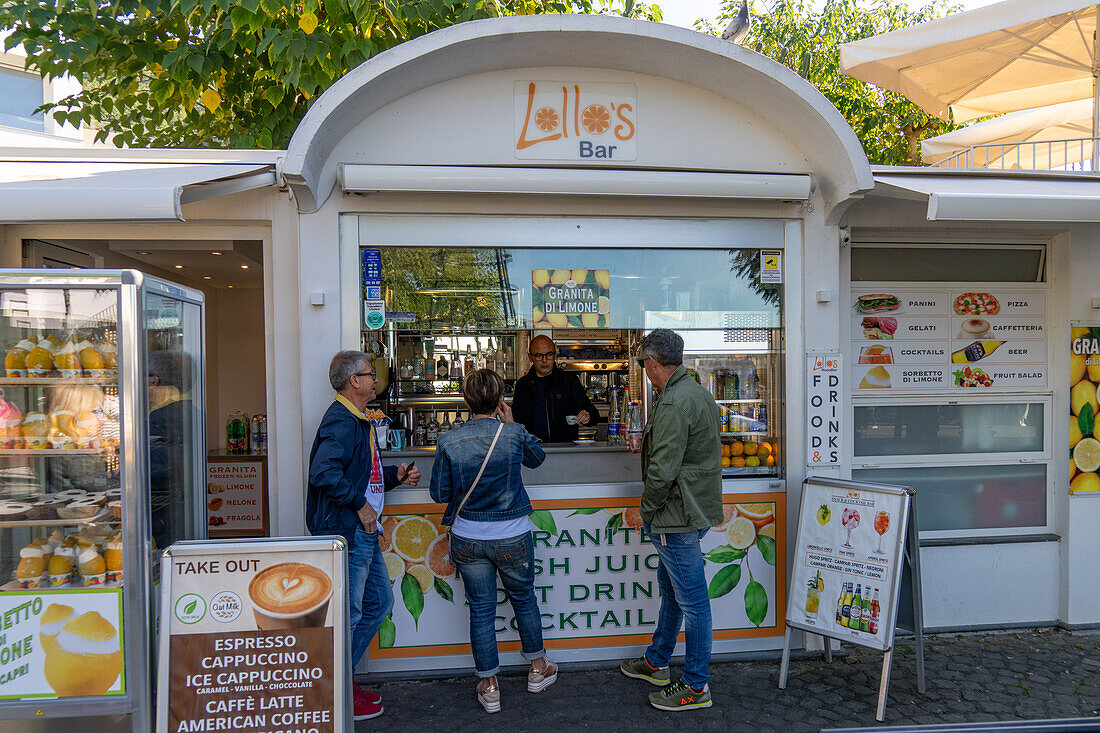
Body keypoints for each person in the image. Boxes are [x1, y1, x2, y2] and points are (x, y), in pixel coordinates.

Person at [429, 368, 557, 713]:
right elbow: (538, 459)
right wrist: (513, 421)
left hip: (468, 538)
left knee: (481, 611)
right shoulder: (513, 434)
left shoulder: (448, 440)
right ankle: (537, 669)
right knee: (524, 600)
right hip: (512, 535)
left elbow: (439, 493)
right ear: (500, 399)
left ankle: (489, 686)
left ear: (466, 401)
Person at [306, 350, 420, 721]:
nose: (375, 379)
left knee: (376, 605)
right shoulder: (341, 420)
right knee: (354, 611)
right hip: (350, 531)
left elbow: (359, 475)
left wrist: (393, 477)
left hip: (362, 530)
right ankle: (336, 689)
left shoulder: (356, 420)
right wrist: (360, 505)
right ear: (355, 381)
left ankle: (342, 680)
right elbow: (324, 473)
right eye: (371, 374)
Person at [619, 329, 722, 712]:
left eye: (643, 362)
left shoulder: (676, 402)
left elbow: (662, 472)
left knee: (693, 602)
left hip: (676, 515)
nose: (644, 369)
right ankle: (656, 661)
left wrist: (647, 511)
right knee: (673, 591)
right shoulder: (693, 392)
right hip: (691, 509)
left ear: (652, 363)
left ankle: (696, 686)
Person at [511, 335, 600, 443]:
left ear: (555, 355)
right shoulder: (523, 385)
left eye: (549, 355)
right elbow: (517, 422)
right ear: (530, 357)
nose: (544, 360)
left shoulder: (569, 380)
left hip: (565, 451)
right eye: (539, 356)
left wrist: (588, 416)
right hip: (533, 451)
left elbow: (593, 414)